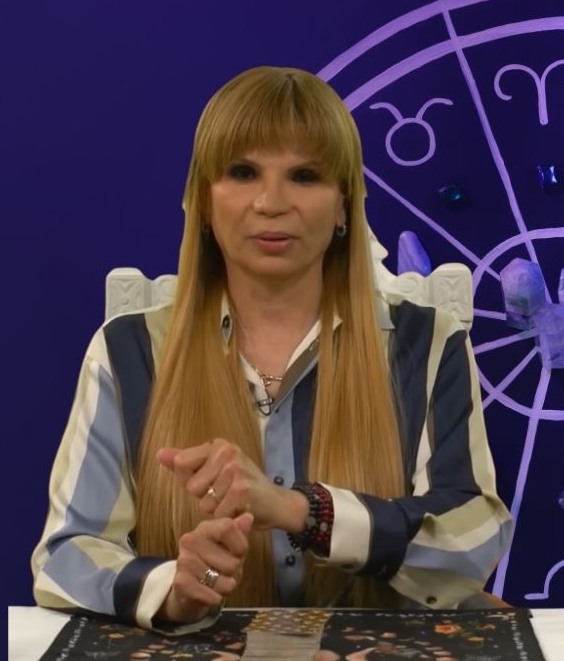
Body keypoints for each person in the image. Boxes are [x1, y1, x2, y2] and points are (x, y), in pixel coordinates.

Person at [30, 66, 513, 632]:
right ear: (202, 201)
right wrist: (171, 588)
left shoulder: (428, 342)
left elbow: (471, 537)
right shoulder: (126, 350)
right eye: (243, 172)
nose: (271, 202)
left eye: (305, 176)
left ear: (344, 206)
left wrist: (302, 511)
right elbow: (64, 556)